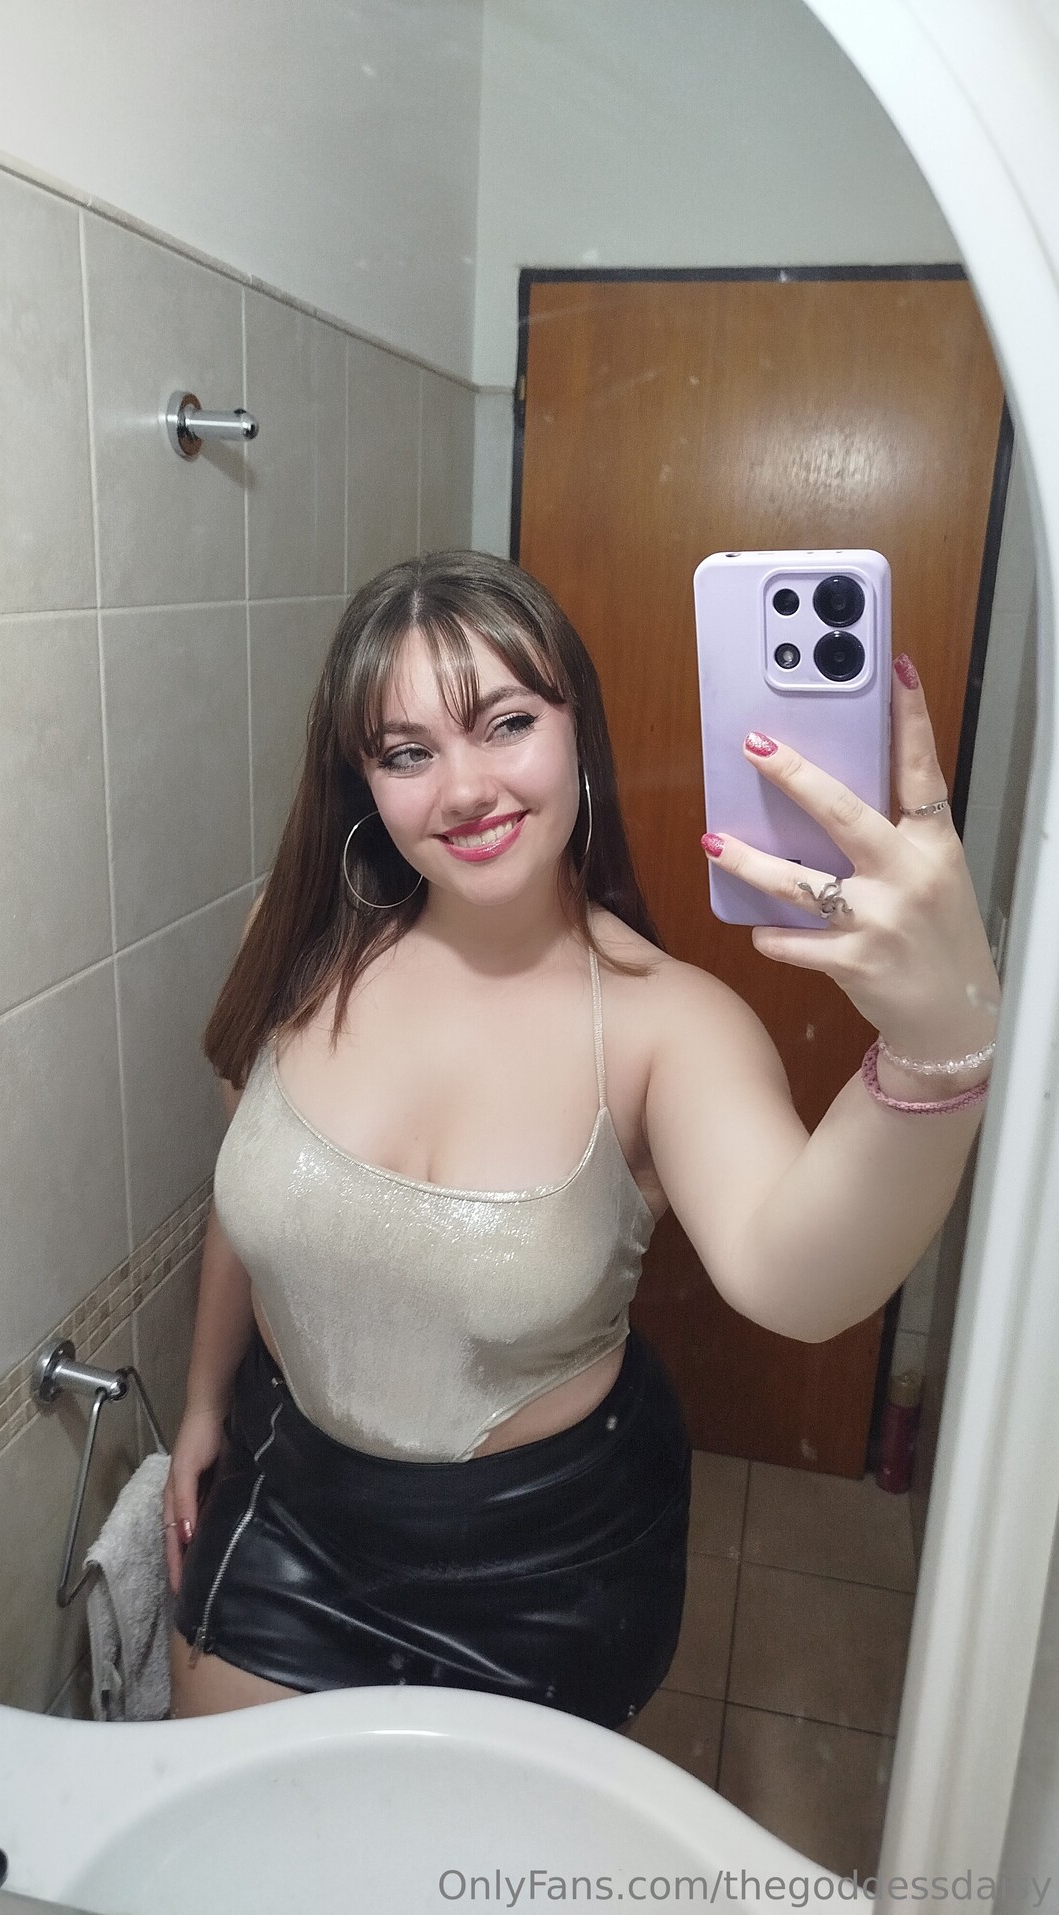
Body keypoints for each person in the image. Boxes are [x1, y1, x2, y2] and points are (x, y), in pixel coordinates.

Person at [163, 549, 1000, 1725]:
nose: (463, 789)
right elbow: (246, 1203)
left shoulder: (669, 1024)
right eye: (407, 752)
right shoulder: (301, 944)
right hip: (286, 1506)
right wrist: (204, 1402)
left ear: (577, 733)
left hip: (545, 1566)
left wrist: (937, 1043)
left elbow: (798, 1283)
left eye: (506, 723)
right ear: (363, 781)